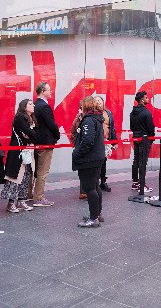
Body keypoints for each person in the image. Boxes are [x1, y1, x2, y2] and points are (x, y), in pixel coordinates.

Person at [73, 96, 106, 228]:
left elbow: (87, 142)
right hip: (96, 158)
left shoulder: (88, 121)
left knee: (90, 188)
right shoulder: (95, 119)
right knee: (95, 186)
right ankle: (96, 214)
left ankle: (93, 218)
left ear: (85, 107)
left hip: (89, 160)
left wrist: (76, 153)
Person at [2, 99, 37, 213]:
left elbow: (34, 134)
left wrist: (30, 135)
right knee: (15, 177)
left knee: (26, 176)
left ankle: (21, 201)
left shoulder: (32, 119)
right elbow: (30, 133)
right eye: (30, 104)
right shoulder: (19, 118)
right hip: (18, 152)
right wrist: (30, 135)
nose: (33, 105)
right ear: (24, 107)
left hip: (27, 151)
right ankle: (11, 203)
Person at [30, 82, 61, 207]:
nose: (51, 92)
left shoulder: (34, 104)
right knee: (43, 171)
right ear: (43, 91)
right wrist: (57, 135)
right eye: (49, 90)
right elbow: (51, 124)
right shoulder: (44, 107)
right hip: (45, 142)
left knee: (35, 170)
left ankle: (30, 195)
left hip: (37, 141)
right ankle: (38, 198)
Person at [130, 91, 155, 193]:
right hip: (145, 139)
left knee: (136, 160)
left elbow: (132, 127)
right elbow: (150, 128)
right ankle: (142, 184)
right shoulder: (147, 113)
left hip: (136, 138)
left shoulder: (132, 113)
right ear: (142, 100)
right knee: (143, 162)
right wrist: (151, 137)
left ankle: (135, 183)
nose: (148, 99)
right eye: (146, 97)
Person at [95, 96, 116, 192]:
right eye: (96, 101)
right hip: (96, 142)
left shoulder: (108, 113)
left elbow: (112, 127)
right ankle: (95, 183)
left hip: (106, 141)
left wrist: (114, 141)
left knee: (104, 161)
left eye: (100, 100)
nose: (98, 102)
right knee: (97, 162)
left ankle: (103, 182)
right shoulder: (93, 114)